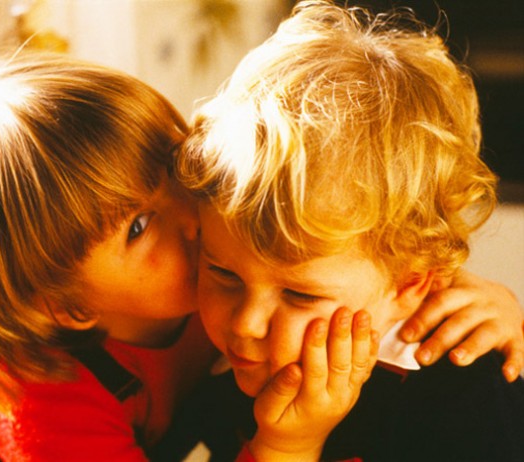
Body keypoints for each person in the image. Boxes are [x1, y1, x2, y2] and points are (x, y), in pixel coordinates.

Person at [0, 43, 522, 462]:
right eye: (138, 229)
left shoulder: (202, 262)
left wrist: (478, 296)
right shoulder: (48, 407)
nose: (196, 223)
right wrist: (288, 446)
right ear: (71, 305)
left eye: (173, 173)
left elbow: (350, 250)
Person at [170, 1, 524, 460]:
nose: (246, 324)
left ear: (410, 285)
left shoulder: (465, 399)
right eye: (223, 273)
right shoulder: (211, 359)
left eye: (299, 296)